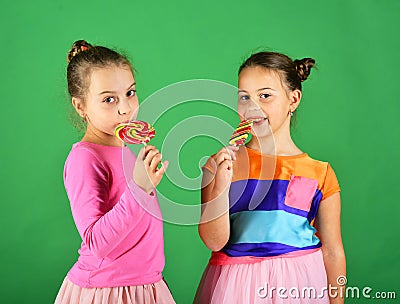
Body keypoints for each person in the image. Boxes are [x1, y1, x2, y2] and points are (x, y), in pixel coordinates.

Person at [194, 51, 346, 303]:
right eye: (244, 97)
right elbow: (214, 241)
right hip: (236, 288)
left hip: (300, 284)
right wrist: (220, 184)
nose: (252, 107)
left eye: (265, 95)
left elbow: (332, 252)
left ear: (293, 99)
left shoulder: (320, 173)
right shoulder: (219, 165)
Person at [55, 40, 176, 304]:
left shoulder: (126, 152)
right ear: (81, 106)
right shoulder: (85, 158)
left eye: (130, 93)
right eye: (109, 99)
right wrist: (140, 189)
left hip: (146, 285)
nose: (125, 108)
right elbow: (96, 242)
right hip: (107, 290)